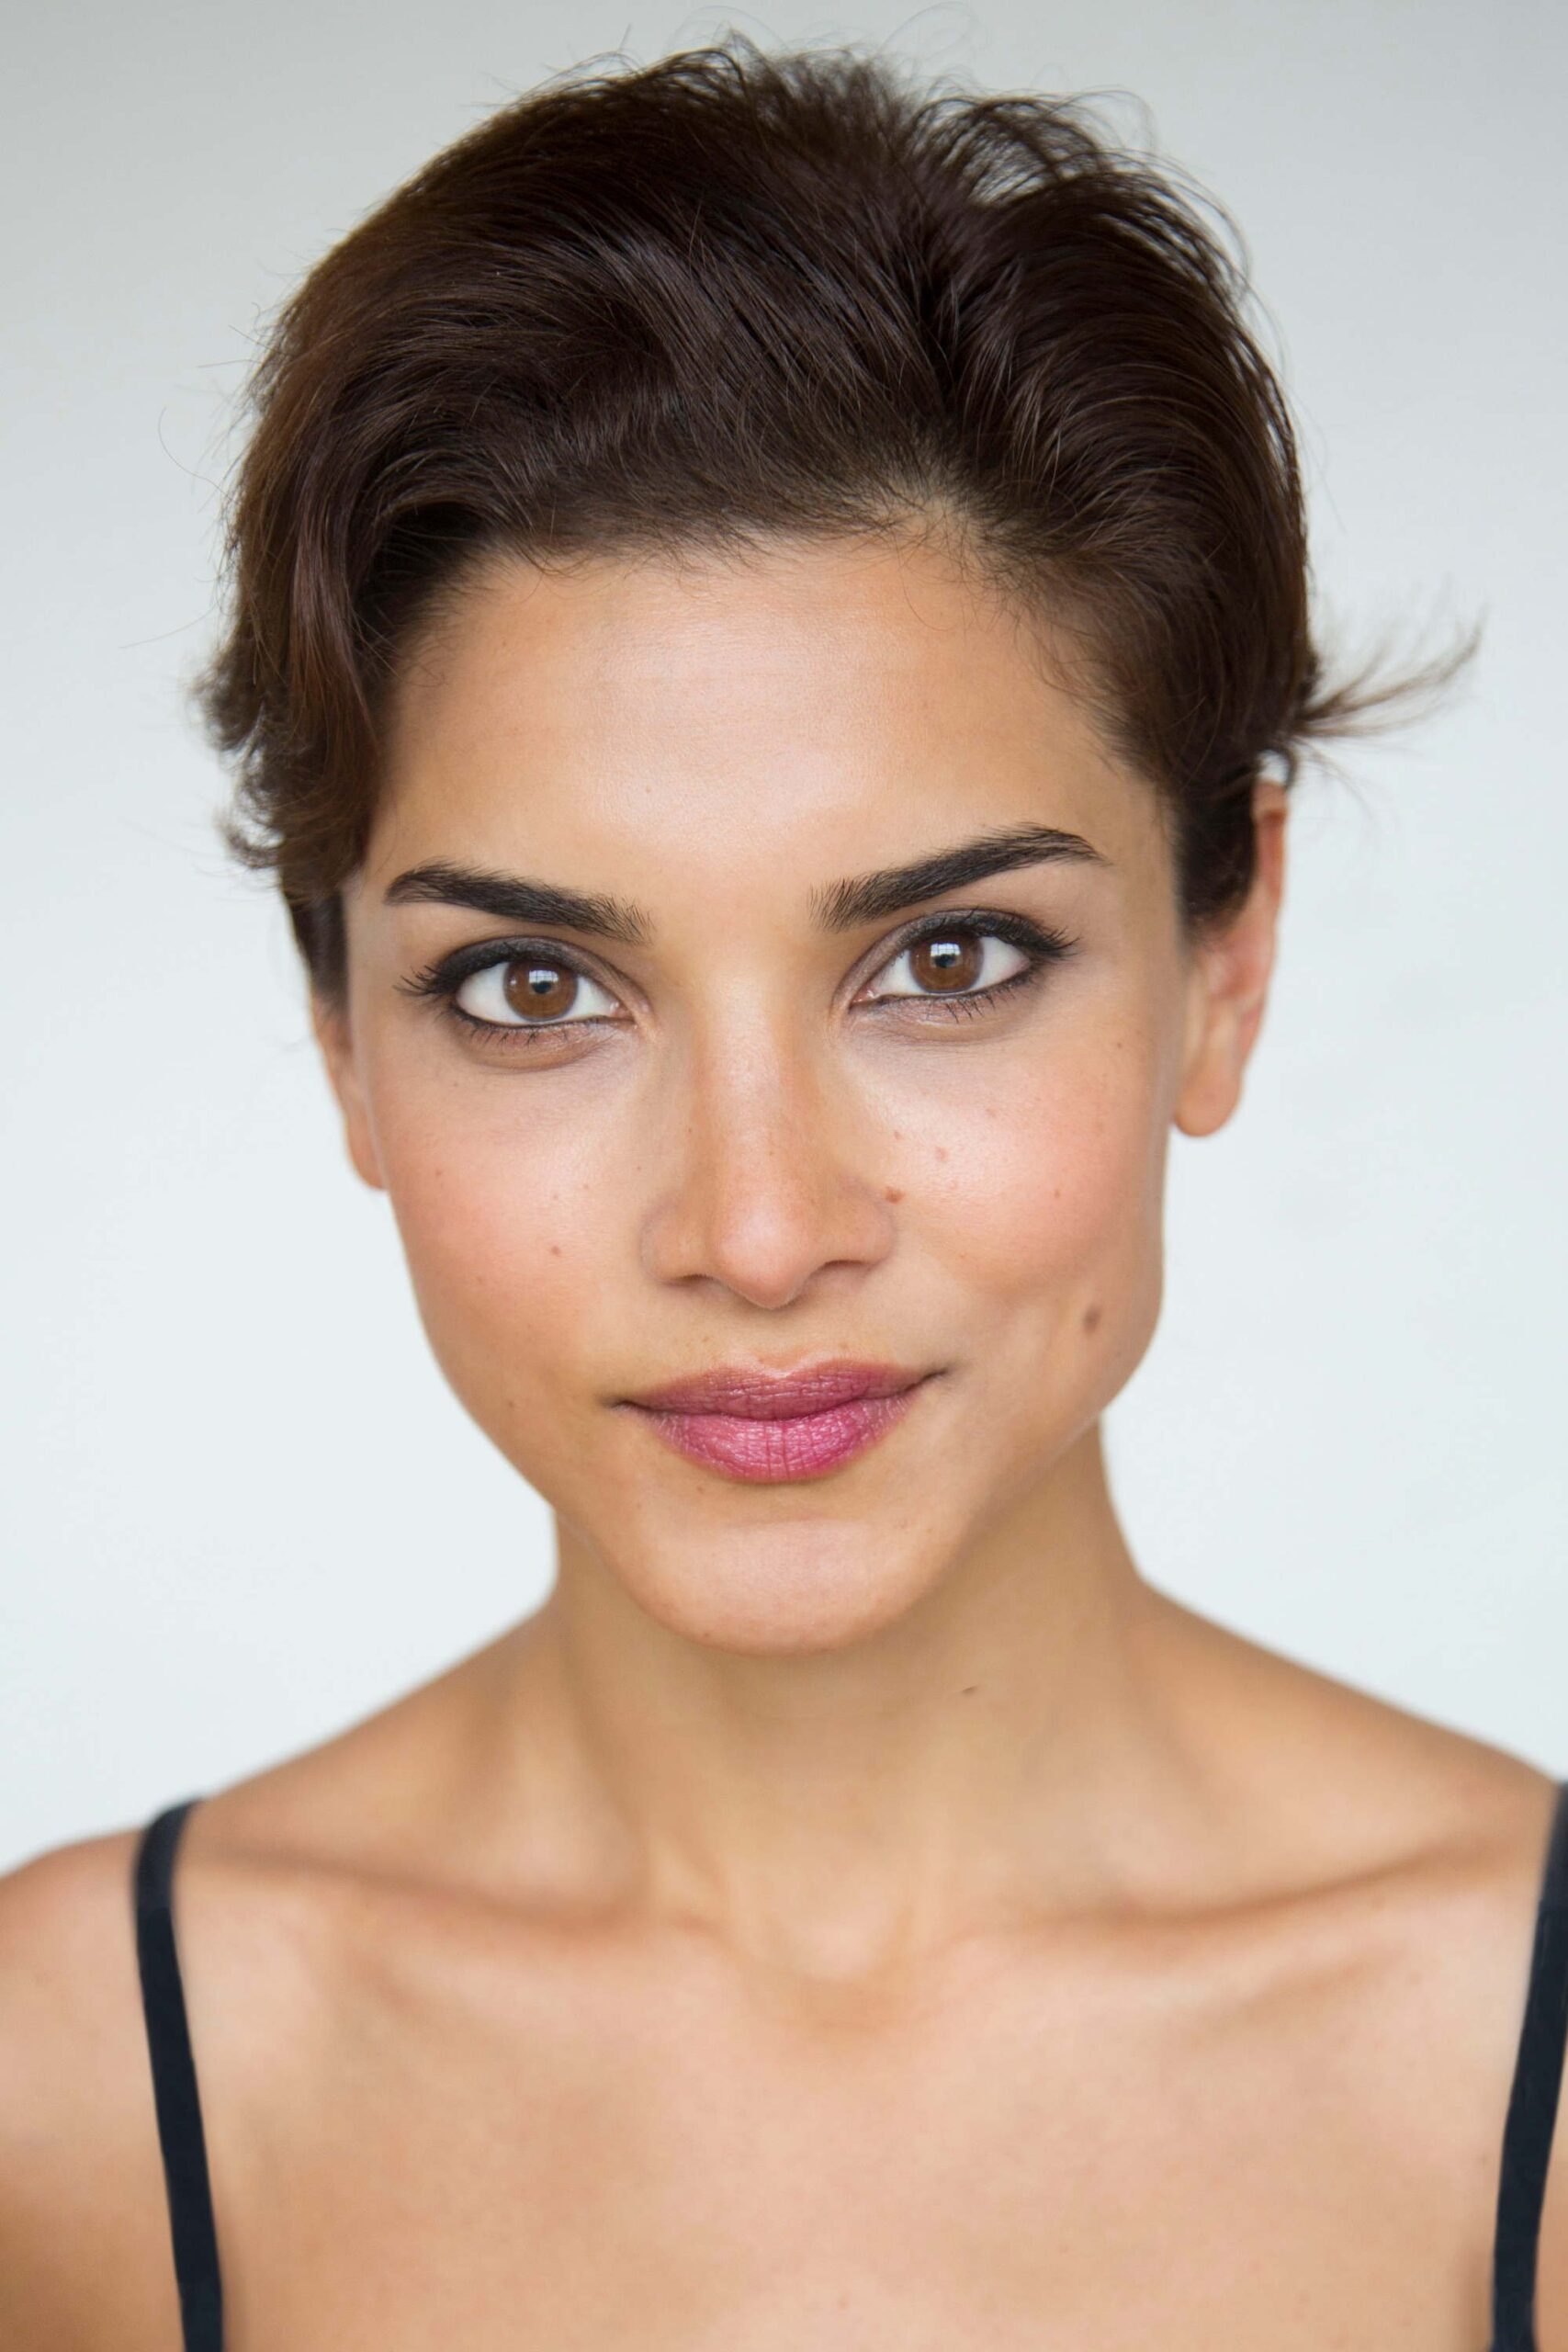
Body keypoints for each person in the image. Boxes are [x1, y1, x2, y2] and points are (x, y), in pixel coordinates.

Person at [0, 39, 1562, 2351]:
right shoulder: (67, 2102)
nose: (753, 1226)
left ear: (1223, 961)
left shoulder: (1529, 2069)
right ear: (339, 1027)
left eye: (947, 960)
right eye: (535, 983)